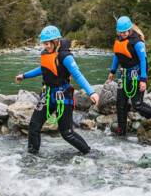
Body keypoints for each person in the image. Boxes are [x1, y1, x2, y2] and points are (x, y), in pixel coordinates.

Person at [14, 25, 100, 155]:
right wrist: (24, 75)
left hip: (63, 97)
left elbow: (77, 74)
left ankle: (89, 152)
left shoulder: (66, 56)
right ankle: (32, 155)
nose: (46, 46)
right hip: (47, 96)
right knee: (34, 126)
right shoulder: (46, 54)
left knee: (67, 133)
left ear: (56, 41)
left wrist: (91, 92)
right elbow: (43, 68)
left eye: (48, 43)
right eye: (44, 43)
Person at [107, 16, 151, 136]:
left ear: (129, 29)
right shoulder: (119, 39)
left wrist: (143, 80)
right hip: (124, 75)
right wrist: (112, 71)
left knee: (137, 104)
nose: (123, 34)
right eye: (121, 32)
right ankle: (121, 132)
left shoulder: (137, 41)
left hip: (137, 75)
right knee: (120, 105)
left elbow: (143, 61)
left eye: (125, 32)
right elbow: (117, 55)